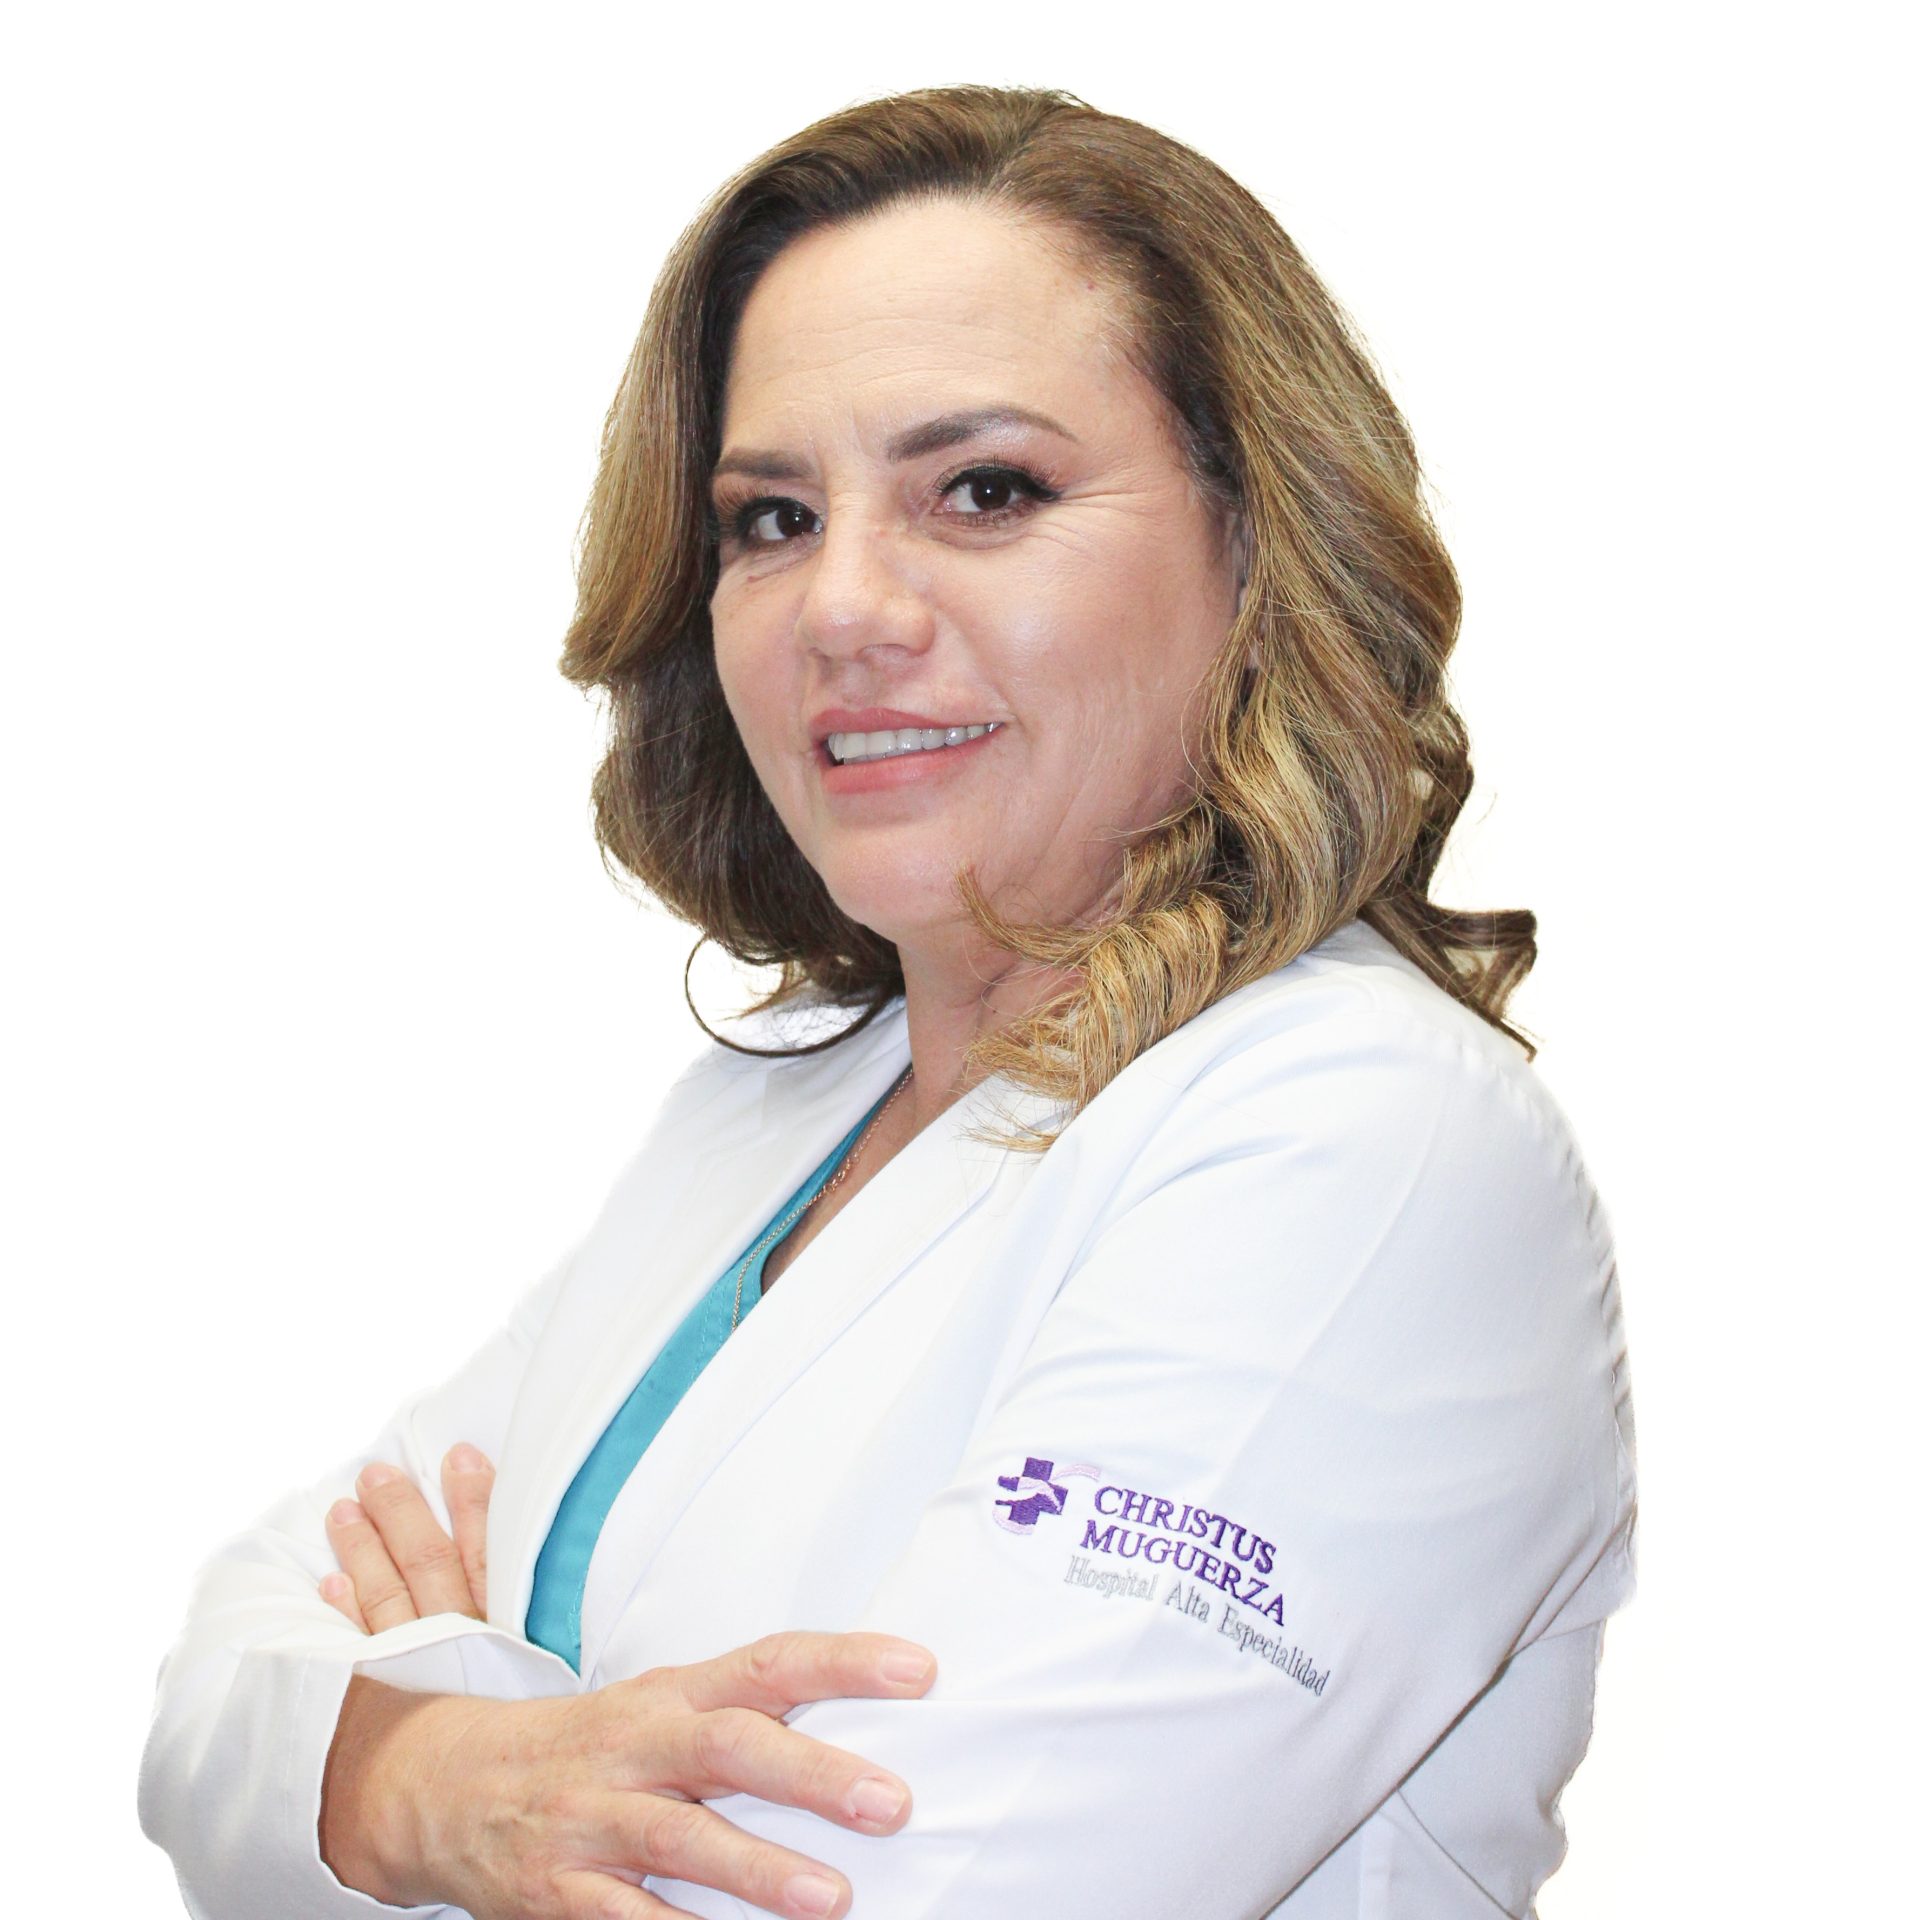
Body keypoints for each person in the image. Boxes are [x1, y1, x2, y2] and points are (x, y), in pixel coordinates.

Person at [138, 84, 1637, 1920]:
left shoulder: (1366, 1146)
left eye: (984, 492)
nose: (841, 606)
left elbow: (885, 1897)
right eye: (771, 518)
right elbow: (205, 1709)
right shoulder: (769, 1113)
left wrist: (394, 1749)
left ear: (1260, 548)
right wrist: (426, 1780)